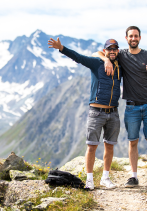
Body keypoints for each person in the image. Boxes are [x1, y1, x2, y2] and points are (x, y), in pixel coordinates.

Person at [48, 37, 122, 190]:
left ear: (118, 51)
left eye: (115, 49)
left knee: (109, 146)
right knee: (92, 147)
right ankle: (89, 180)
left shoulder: (120, 66)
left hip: (113, 112)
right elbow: (79, 58)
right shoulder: (96, 63)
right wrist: (62, 48)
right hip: (96, 112)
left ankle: (105, 178)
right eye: (109, 49)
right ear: (105, 51)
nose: (112, 51)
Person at [93, 26, 147, 187]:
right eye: (131, 36)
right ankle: (133, 176)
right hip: (131, 107)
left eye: (136, 36)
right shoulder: (121, 55)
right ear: (126, 38)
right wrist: (105, 60)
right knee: (133, 141)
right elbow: (97, 53)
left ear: (139, 38)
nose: (133, 38)